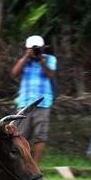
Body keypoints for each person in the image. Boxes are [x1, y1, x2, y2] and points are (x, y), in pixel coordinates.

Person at [10, 34, 56, 164]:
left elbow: (50, 74)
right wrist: (26, 57)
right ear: (27, 49)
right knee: (19, 135)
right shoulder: (24, 61)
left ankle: (35, 166)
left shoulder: (50, 59)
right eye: (32, 48)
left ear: (43, 48)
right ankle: (22, 164)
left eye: (37, 48)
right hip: (24, 103)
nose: (35, 51)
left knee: (40, 136)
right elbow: (14, 73)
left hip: (43, 103)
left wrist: (41, 60)